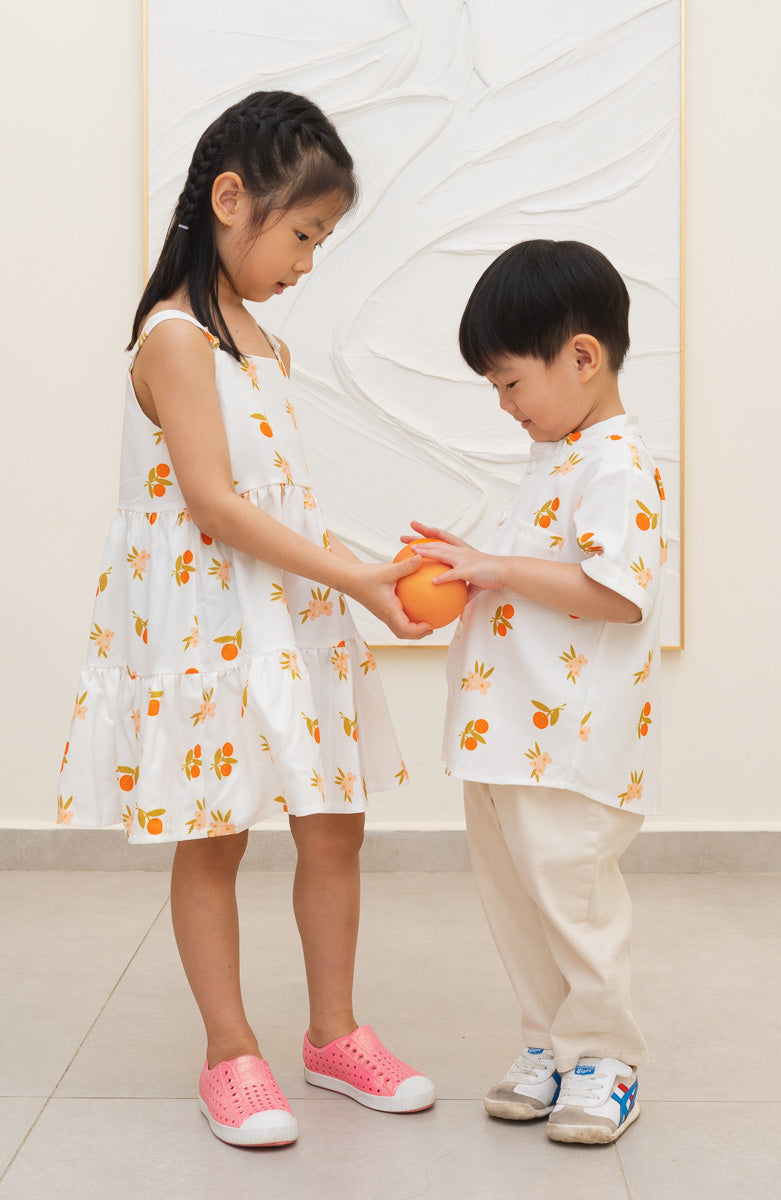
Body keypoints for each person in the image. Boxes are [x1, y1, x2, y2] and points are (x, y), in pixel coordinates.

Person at [58, 90, 436, 1147]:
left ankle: (332, 1034)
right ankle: (230, 1052)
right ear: (231, 199)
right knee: (214, 831)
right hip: (204, 619)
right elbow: (215, 507)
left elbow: (274, 500)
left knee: (333, 821)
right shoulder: (173, 339)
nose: (308, 260)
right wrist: (359, 579)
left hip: (286, 608)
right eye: (304, 233)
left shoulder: (259, 342)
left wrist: (353, 571)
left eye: (321, 239)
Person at [407, 239, 665, 1145]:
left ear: (583, 358)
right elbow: (537, 581)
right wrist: (475, 569)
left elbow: (615, 592)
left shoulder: (616, 464)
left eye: (511, 383)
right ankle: (549, 1044)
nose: (505, 405)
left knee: (573, 901)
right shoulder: (558, 456)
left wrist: (498, 566)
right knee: (518, 901)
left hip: (571, 749)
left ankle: (606, 1058)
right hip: (506, 738)